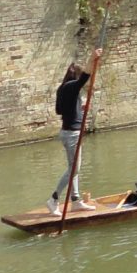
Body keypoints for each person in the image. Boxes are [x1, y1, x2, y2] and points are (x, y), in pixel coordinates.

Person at [49, 48, 103, 212]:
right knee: (74, 169)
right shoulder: (72, 86)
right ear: (76, 77)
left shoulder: (62, 88)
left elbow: (60, 111)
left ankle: (76, 200)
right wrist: (92, 59)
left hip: (67, 132)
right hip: (72, 134)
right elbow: (85, 77)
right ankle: (54, 199)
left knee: (73, 167)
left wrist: (80, 107)